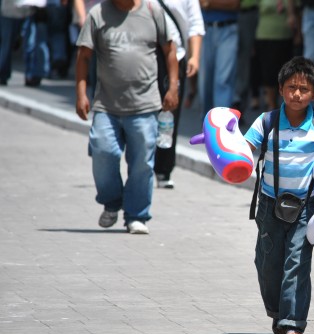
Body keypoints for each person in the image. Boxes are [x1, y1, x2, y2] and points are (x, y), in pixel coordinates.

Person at [243, 56, 314, 334]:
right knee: (266, 263)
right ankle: (278, 312)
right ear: (280, 89)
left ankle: (293, 321)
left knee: (297, 262)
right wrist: (224, 147)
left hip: (307, 207)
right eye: (291, 87)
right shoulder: (265, 122)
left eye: (304, 89)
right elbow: (244, 150)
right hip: (269, 203)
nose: (297, 94)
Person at [74, 0, 179, 234]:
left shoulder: (153, 11)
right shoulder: (97, 14)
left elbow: (170, 50)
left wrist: (173, 88)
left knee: (142, 163)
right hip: (106, 105)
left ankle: (137, 215)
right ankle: (112, 202)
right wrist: (81, 94)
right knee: (103, 151)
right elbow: (83, 57)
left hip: (145, 104)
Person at [154, 0, 205, 189]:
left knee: (169, 114)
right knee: (142, 112)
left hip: (176, 58)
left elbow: (196, 24)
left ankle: (163, 169)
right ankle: (141, 164)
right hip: (146, 57)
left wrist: (194, 57)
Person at [255, 0, 300, 110]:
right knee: (269, 74)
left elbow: (297, 13)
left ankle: (286, 107)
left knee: (287, 75)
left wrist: (298, 33)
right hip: (265, 37)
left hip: (286, 37)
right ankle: (272, 107)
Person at [197, 0, 240, 115]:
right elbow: (200, 3)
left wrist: (209, 4)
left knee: (223, 81)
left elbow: (234, 4)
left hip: (228, 29)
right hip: (205, 30)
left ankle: (221, 126)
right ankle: (207, 126)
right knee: (205, 84)